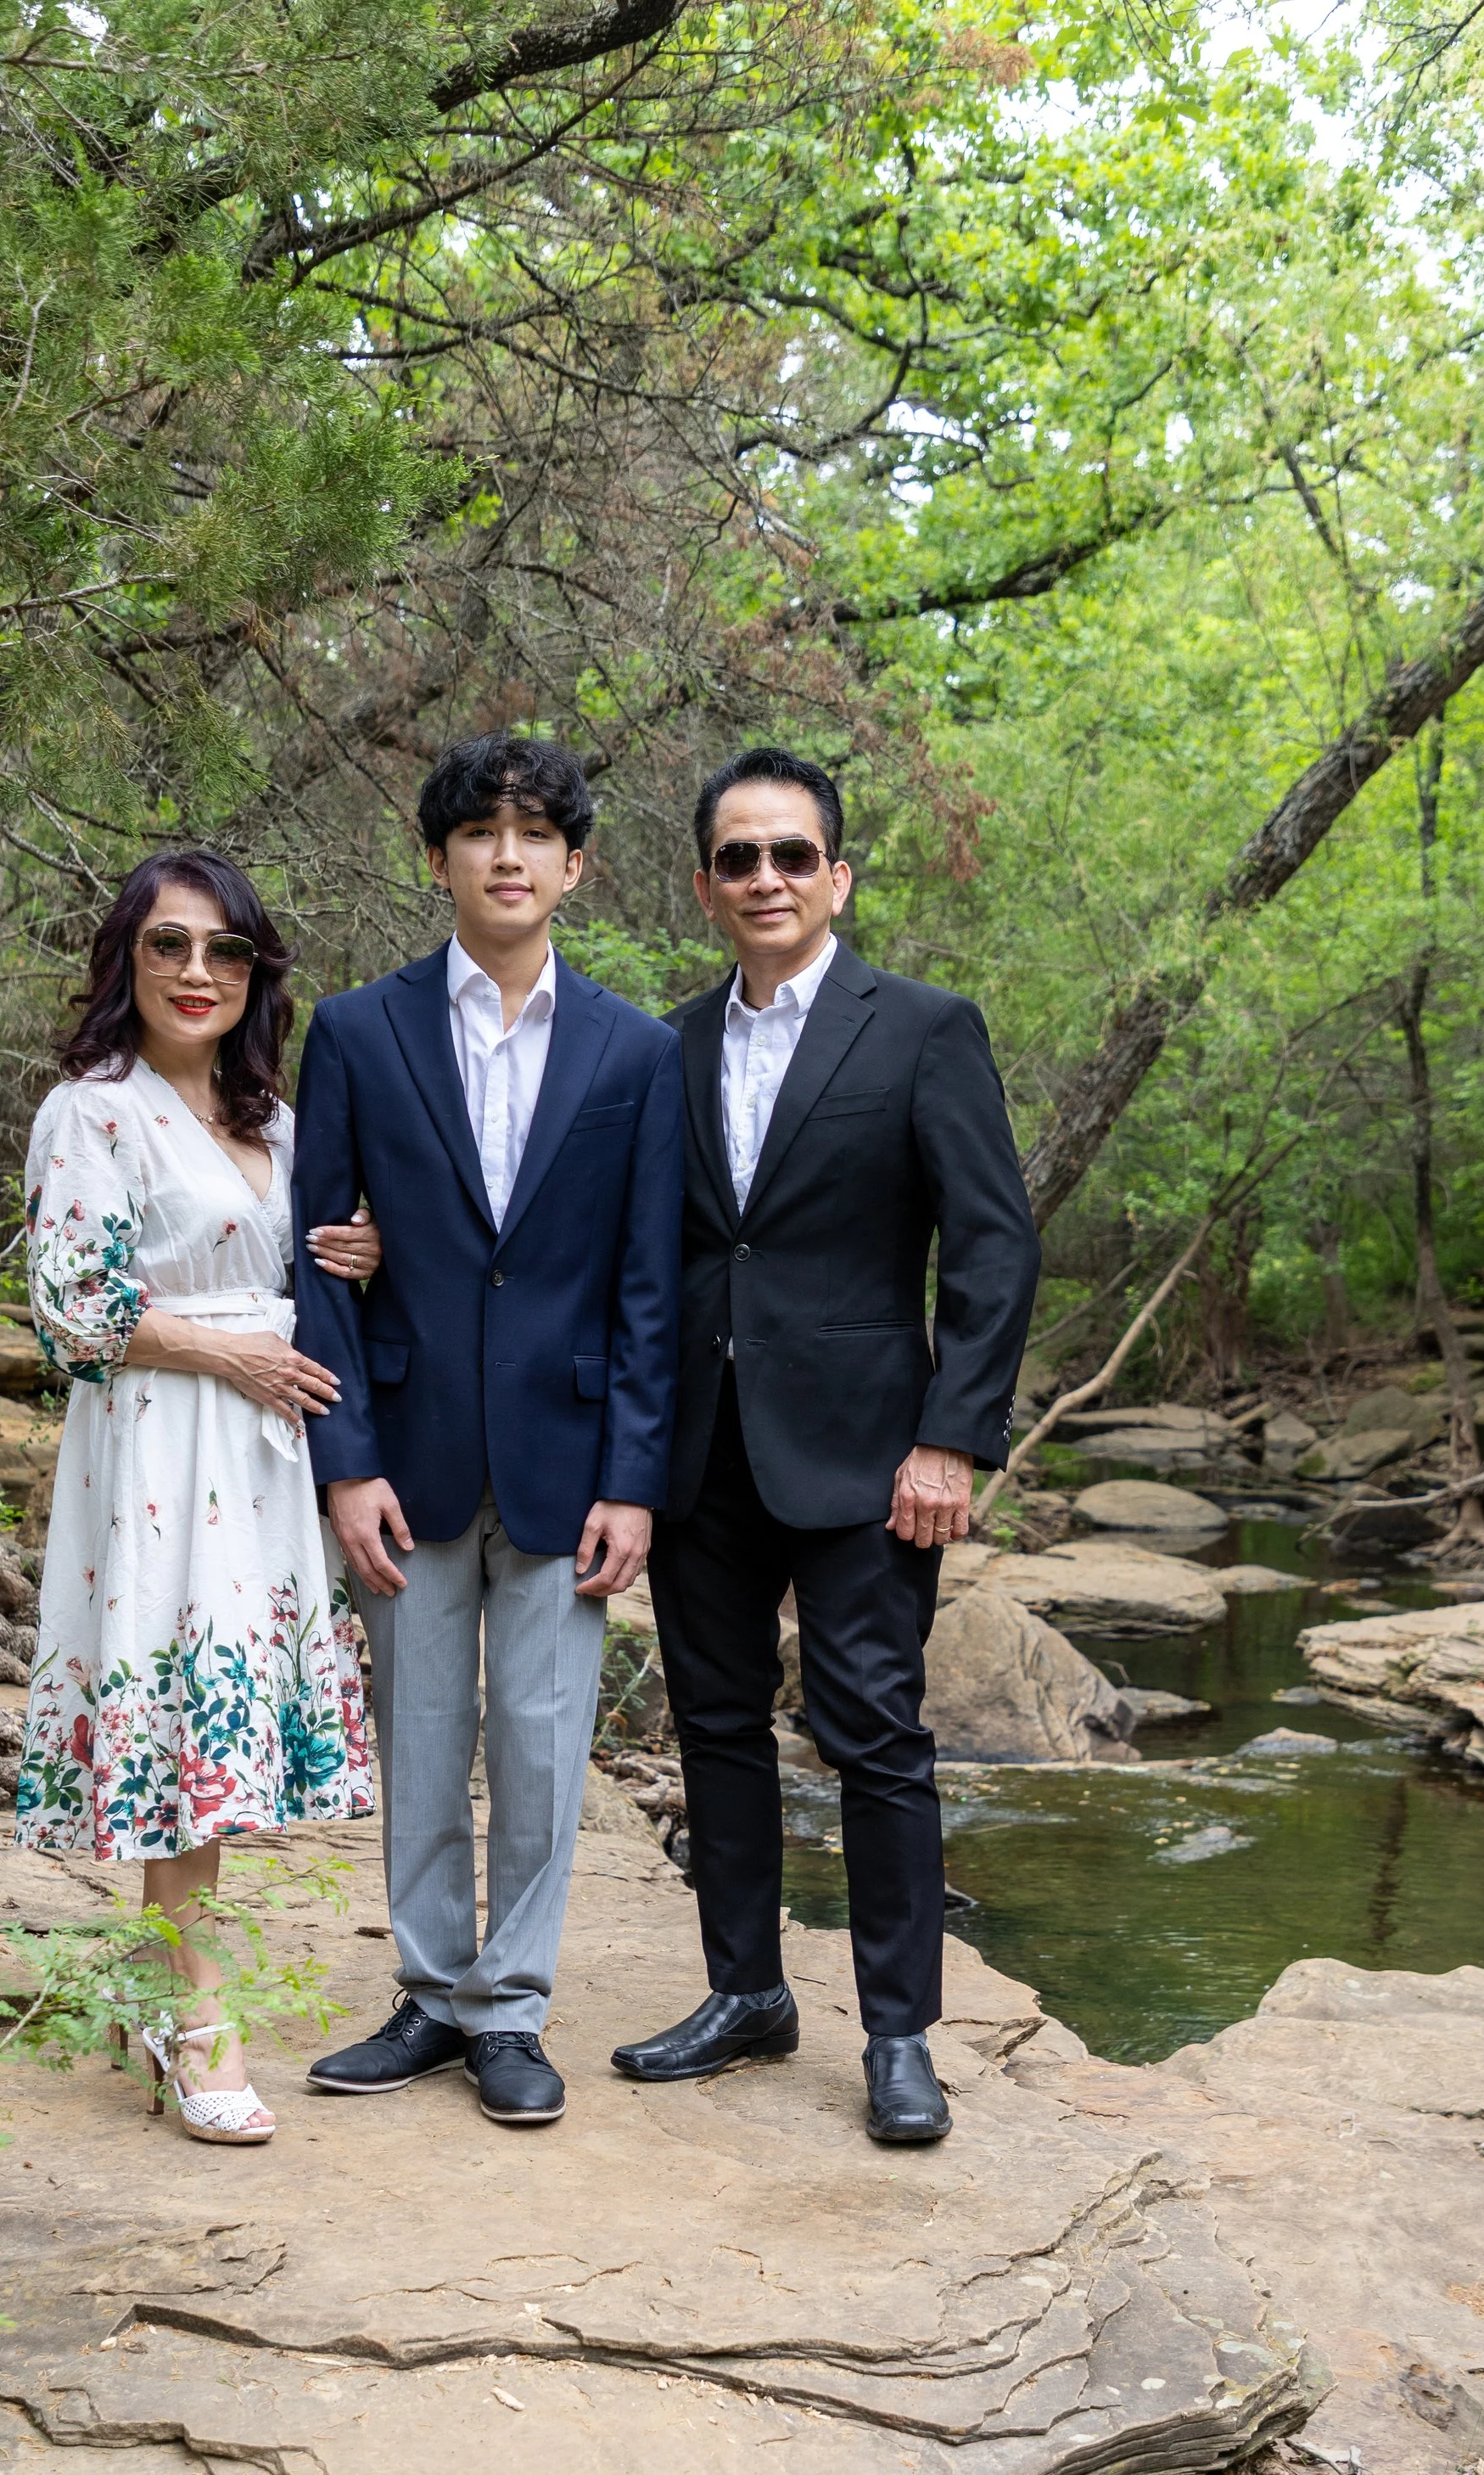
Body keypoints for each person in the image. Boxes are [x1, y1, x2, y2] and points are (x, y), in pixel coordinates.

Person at [609, 748, 1041, 2143]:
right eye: (739, 857)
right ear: (705, 885)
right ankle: (746, 1995)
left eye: (792, 855)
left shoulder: (920, 1028)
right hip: (699, 1450)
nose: (766, 879)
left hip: (870, 1457)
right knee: (719, 1728)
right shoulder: (660, 1049)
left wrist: (952, 1441)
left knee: (876, 1734)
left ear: (836, 875)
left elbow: (993, 1245)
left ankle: (901, 2034)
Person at [292, 732, 683, 2127]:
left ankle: (512, 2009)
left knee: (538, 1737)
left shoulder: (639, 1050)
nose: (506, 855)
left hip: (569, 1463)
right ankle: (427, 1994)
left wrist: (636, 1480)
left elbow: (649, 1283)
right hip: (402, 1449)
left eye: (533, 835)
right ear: (441, 858)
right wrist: (346, 1464)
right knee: (419, 1731)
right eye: (479, 833)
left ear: (573, 867)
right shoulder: (355, 1030)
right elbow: (316, 1259)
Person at [14, 850, 374, 2147]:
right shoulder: (91, 1111)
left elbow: (296, 1271)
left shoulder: (274, 1120)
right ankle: (195, 2012)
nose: (196, 972)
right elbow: (75, 1307)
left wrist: (357, 1255)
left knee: (209, 1726)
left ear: (254, 972)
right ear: (128, 961)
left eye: (223, 950)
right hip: (163, 1444)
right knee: (180, 1720)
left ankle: (160, 1984)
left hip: (263, 1457)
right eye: (168, 946)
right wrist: (229, 1353)